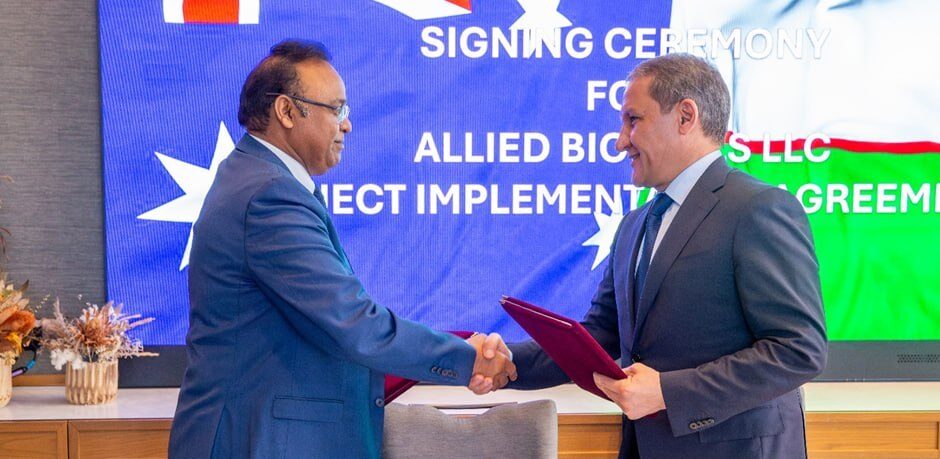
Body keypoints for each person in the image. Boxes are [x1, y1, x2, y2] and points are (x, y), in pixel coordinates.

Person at [168, 39, 515, 459]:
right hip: (255, 442)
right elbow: (353, 325)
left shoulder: (259, 178)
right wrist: (465, 358)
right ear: (286, 111)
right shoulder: (269, 195)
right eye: (336, 109)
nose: (346, 125)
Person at [478, 53, 827, 458]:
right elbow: (599, 337)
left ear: (685, 117)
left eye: (633, 120)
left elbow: (798, 349)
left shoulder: (758, 209)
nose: (620, 141)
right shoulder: (634, 225)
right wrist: (508, 362)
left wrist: (667, 392)